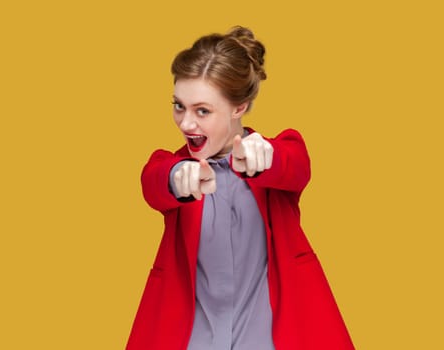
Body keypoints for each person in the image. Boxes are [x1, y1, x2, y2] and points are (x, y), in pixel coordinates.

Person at [126, 26, 354, 350]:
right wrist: (177, 178)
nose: (185, 123)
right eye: (179, 106)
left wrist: (268, 157)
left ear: (239, 108)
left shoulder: (276, 155)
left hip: (270, 337)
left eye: (202, 110)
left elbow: (296, 165)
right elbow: (153, 182)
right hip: (193, 337)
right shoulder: (171, 166)